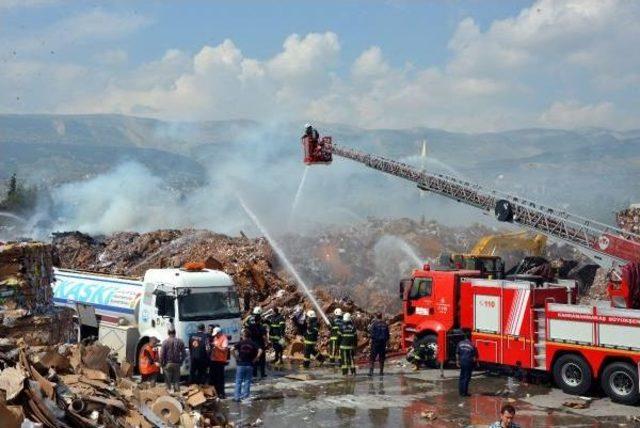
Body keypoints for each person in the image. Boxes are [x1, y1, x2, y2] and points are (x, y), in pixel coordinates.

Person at [233, 329, 263, 402]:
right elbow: (260, 350)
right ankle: (245, 397)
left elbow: (231, 349)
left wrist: (236, 357)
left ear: (243, 335)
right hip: (249, 364)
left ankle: (237, 397)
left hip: (240, 364)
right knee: (247, 381)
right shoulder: (253, 343)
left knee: (238, 381)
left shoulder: (240, 343)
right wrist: (256, 358)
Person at [160, 328, 186, 393]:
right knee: (176, 382)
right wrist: (181, 362)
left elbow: (162, 354)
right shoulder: (180, 341)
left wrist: (161, 364)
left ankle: (168, 399)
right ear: (175, 333)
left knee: (167, 383)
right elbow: (184, 354)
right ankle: (177, 398)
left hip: (167, 364)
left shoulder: (165, 342)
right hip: (177, 364)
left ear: (168, 333)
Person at [245, 306, 267, 378]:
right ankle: (262, 374)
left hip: (253, 345)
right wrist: (267, 343)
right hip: (260, 344)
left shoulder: (251, 326)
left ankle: (254, 374)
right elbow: (264, 337)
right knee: (262, 360)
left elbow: (245, 324)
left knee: (254, 359)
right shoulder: (262, 327)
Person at [209, 327, 229, 399]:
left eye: (216, 334)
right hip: (214, 360)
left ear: (219, 333)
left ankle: (222, 393)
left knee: (220, 378)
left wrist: (216, 346)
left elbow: (224, 349)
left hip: (220, 361)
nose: (215, 336)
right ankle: (216, 392)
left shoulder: (224, 339)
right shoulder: (215, 338)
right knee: (214, 378)